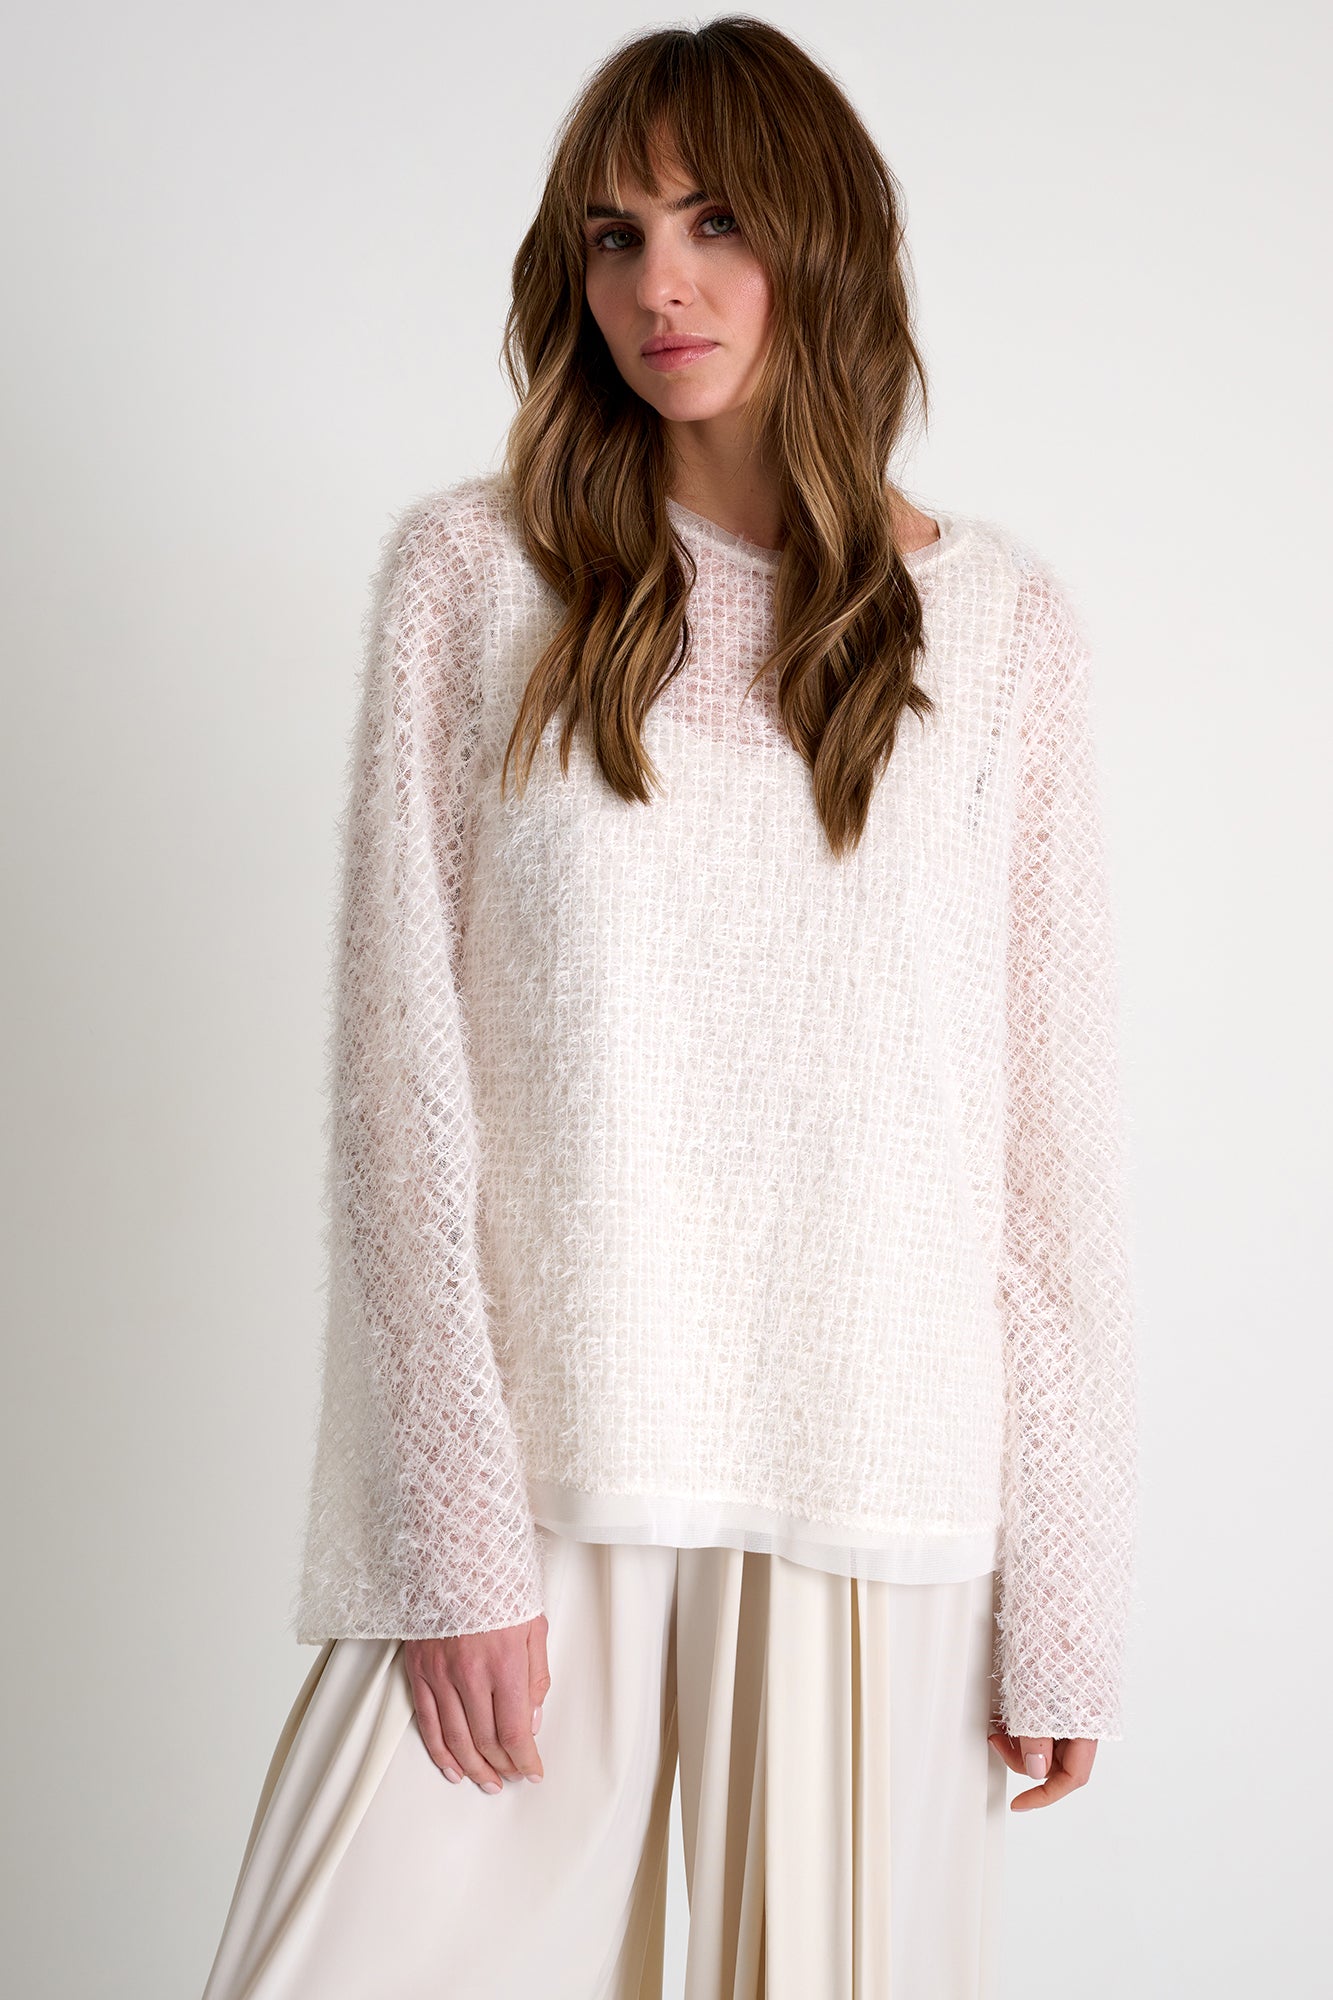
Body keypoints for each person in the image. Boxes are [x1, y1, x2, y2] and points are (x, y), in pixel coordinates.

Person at [199, 16, 1138, 1999]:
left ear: (823, 242)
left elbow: (1044, 1158)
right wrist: (447, 1534)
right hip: (551, 1463)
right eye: (613, 236)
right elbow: (400, 1089)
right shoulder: (475, 582)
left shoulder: (1000, 631)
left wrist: (1061, 1589)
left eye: (716, 223)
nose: (660, 284)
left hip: (884, 1487)